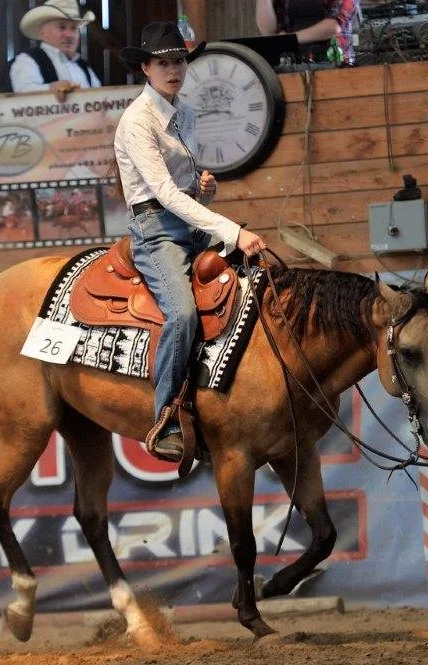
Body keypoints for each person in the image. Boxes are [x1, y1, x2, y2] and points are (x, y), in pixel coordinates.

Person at [115, 21, 268, 463]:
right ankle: (163, 418)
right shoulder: (137, 122)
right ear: (145, 68)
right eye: (163, 62)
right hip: (154, 229)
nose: (173, 69)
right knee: (181, 314)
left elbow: (182, 189)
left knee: (248, 279)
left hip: (186, 219)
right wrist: (231, 229)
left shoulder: (187, 113)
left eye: (179, 60)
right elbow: (161, 193)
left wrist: (204, 190)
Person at [10, 0, 101, 102]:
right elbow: (23, 93)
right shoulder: (27, 60)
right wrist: (51, 88)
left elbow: (100, 97)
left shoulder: (83, 67)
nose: (69, 35)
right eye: (62, 27)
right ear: (42, 33)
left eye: (74, 28)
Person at [255, 0, 361, 65]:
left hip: (335, 63)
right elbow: (268, 31)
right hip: (293, 64)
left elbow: (334, 26)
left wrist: (289, 39)